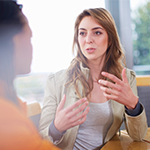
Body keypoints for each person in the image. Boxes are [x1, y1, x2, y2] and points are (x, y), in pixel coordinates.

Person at [39, 8, 148, 150]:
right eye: (82, 33)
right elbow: (41, 140)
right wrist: (56, 128)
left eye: (97, 32)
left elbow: (138, 136)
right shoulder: (56, 81)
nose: (88, 40)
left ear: (110, 39)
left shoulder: (125, 78)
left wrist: (133, 106)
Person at [0, 1, 60, 150]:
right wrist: (57, 128)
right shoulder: (7, 119)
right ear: (14, 40)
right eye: (30, 37)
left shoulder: (13, 102)